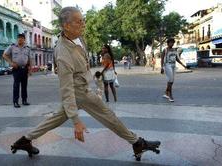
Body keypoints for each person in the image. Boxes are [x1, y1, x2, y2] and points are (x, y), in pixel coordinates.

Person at [10, 6, 160, 161]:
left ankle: (24, 140)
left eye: (83, 20)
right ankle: (137, 142)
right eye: (79, 21)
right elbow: (66, 89)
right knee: (109, 116)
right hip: (79, 92)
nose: (83, 24)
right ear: (66, 26)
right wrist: (76, 121)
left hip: (81, 87)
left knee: (54, 120)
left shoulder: (78, 37)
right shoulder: (63, 53)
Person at [3, 33, 31, 108]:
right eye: (19, 38)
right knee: (16, 86)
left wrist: (29, 70)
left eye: (22, 38)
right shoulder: (12, 47)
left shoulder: (27, 48)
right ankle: (15, 102)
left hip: (24, 69)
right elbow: (4, 55)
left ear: (24, 39)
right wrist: (11, 63)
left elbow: (29, 60)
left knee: (24, 86)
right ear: (17, 39)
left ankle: (24, 100)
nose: (20, 39)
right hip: (16, 69)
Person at [161, 38, 186, 102]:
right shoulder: (165, 50)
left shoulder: (175, 50)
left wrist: (182, 64)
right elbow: (162, 59)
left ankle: (166, 93)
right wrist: (162, 67)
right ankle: (170, 95)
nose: (172, 44)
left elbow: (177, 58)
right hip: (167, 65)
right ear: (168, 43)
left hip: (173, 66)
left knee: (171, 81)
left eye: (173, 43)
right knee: (171, 80)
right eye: (170, 42)